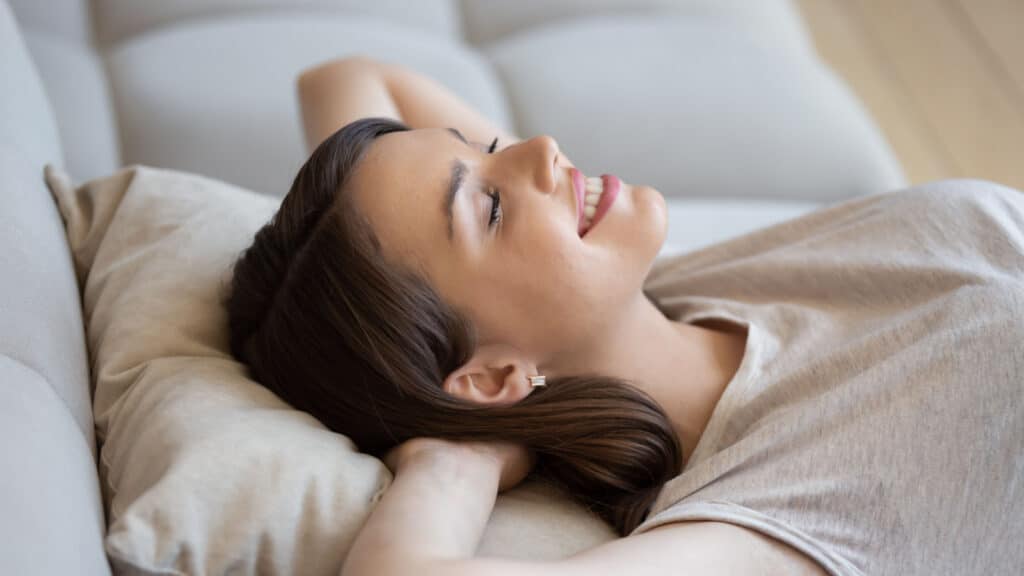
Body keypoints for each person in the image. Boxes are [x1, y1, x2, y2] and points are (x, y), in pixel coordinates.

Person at [223, 56, 1023, 576]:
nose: (540, 148)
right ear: (495, 374)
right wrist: (454, 457)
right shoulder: (790, 501)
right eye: (493, 207)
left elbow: (348, 78)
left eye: (487, 143)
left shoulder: (693, 289)